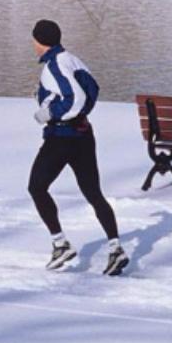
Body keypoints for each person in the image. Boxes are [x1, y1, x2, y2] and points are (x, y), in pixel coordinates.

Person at [28, 19, 129, 275]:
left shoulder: (53, 66)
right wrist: (76, 113)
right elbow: (92, 89)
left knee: (37, 187)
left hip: (63, 137)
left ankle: (60, 244)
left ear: (40, 41)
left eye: (34, 39)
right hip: (84, 134)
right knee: (93, 193)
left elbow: (76, 97)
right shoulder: (73, 59)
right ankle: (116, 249)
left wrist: (50, 113)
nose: (33, 44)